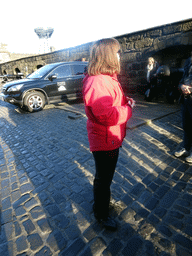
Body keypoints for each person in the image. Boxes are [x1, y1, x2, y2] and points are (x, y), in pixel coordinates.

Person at [82, 38, 135, 231]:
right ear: (108, 55)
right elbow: (106, 115)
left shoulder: (107, 78)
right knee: (103, 179)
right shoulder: (98, 82)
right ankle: (101, 213)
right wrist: (128, 110)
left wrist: (125, 101)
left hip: (110, 137)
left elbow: (111, 103)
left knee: (105, 177)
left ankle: (103, 204)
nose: (120, 55)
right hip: (104, 139)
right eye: (117, 52)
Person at [174, 51, 192, 163]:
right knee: (186, 126)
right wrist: (182, 86)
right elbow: (181, 81)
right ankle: (186, 148)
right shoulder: (188, 62)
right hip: (185, 100)